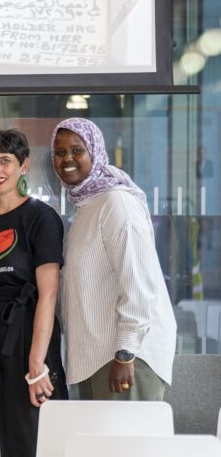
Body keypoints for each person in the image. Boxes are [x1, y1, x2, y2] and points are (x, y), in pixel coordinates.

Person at [51, 118, 176, 400]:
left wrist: (125, 353)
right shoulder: (86, 206)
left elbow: (139, 283)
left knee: (126, 445)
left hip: (124, 359)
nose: (67, 159)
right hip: (96, 359)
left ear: (95, 153)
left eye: (77, 150)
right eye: (59, 152)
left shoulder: (116, 203)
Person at [0, 129, 66, 457]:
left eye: (5, 160)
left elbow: (48, 294)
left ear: (23, 165)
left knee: (31, 431)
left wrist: (37, 362)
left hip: (25, 334)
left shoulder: (41, 217)